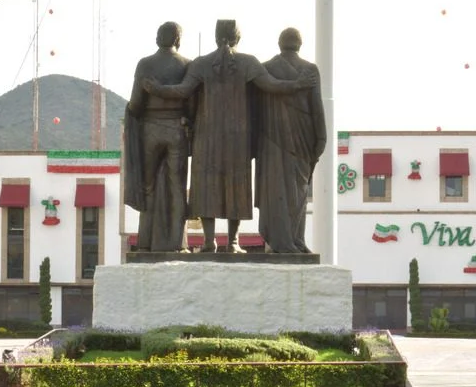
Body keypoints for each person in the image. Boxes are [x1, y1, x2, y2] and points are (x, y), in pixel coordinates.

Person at [144, 19, 314, 253]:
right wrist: (298, 84)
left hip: (207, 134)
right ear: (237, 38)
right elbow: (272, 85)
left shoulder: (201, 63)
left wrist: (157, 89)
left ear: (215, 36)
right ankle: (233, 242)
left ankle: (208, 242)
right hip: (238, 136)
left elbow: (182, 91)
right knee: (237, 185)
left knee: (206, 185)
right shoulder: (248, 63)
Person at [255, 28, 326, 253]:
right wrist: (321, 138)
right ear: (300, 44)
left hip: (271, 141)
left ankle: (283, 241)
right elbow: (317, 110)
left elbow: (255, 113)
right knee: (298, 192)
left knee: (276, 190)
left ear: (279, 44)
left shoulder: (266, 69)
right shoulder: (310, 70)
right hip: (302, 141)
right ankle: (295, 240)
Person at [124, 22, 191, 252]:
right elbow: (192, 104)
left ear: (157, 38)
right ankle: (177, 243)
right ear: (178, 39)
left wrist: (131, 112)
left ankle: (145, 242)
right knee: (178, 187)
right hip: (177, 128)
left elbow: (136, 103)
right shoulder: (186, 65)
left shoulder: (145, 64)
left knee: (148, 186)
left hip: (150, 128)